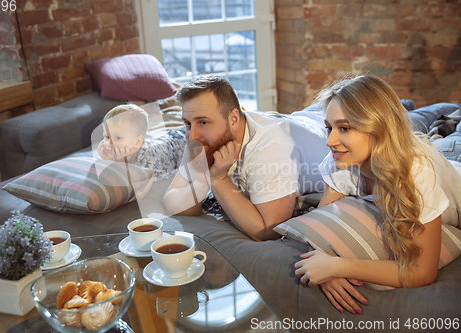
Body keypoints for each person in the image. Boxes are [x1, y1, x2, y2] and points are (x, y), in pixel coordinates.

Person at [294, 74, 461, 314]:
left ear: (377, 128)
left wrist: (339, 267)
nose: (330, 141)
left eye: (344, 128)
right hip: (436, 152)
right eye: (329, 127)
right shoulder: (342, 161)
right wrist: (325, 269)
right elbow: (318, 230)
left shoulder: (415, 174)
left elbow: (422, 272)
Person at [163, 75, 329, 241]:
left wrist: (217, 179)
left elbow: (268, 231)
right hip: (298, 118)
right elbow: (172, 202)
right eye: (187, 123)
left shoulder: (271, 147)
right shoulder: (198, 139)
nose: (192, 135)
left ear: (233, 119)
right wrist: (201, 179)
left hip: (319, 124)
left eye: (203, 122)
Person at [97, 104, 186, 181]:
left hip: (181, 143)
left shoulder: (148, 160)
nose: (109, 144)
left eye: (118, 138)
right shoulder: (123, 152)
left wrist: (115, 164)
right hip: (167, 140)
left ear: (137, 142)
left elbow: (134, 189)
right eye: (107, 137)